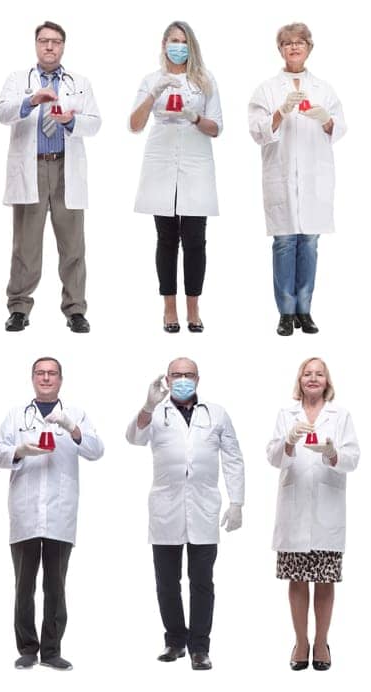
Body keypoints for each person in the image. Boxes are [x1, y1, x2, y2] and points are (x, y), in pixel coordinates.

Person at [126, 357, 243, 670]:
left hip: (205, 507)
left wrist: (237, 502)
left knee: (202, 581)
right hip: (165, 508)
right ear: (166, 378)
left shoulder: (216, 413)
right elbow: (134, 438)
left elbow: (233, 458)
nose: (182, 379)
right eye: (176, 374)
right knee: (167, 581)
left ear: (198, 379)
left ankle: (200, 648)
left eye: (188, 374)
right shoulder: (156, 411)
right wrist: (148, 406)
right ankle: (175, 641)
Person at [0, 357, 103, 670]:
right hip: (25, 512)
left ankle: (51, 651)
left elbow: (95, 450)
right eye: (40, 373)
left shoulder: (76, 413)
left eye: (52, 373)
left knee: (56, 585)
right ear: (32, 378)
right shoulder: (15, 415)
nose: (46, 378)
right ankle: (27, 648)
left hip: (60, 512)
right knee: (23, 585)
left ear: (61, 379)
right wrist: (19, 451)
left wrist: (71, 427)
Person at [0, 22, 100, 334]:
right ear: (36, 45)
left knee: (73, 246)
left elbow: (94, 123)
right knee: (25, 246)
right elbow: (0, 112)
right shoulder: (18, 80)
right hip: (32, 169)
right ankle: (18, 307)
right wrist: (30, 102)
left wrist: (71, 121)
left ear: (63, 46)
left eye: (55, 42)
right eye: (44, 41)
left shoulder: (79, 82)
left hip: (66, 167)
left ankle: (75, 309)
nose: (49, 47)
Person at [248, 23, 344, 336]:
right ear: (280, 50)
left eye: (299, 43)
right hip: (282, 176)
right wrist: (281, 111)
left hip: (314, 180)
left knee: (310, 245)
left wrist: (324, 119)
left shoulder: (324, 88)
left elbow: (339, 127)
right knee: (285, 244)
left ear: (309, 48)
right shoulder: (267, 88)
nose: (293, 48)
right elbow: (257, 131)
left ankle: (305, 310)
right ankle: (286, 313)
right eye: (287, 43)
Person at [264, 357, 359, 671]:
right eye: (308, 373)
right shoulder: (285, 414)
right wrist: (288, 443)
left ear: (327, 381)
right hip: (294, 511)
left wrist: (333, 454)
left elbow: (353, 458)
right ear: (300, 380)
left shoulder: (340, 415)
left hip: (327, 512)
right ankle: (300, 642)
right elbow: (274, 457)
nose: (313, 378)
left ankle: (321, 643)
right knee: (297, 579)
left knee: (325, 580)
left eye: (319, 373)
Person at [130, 21, 223, 333]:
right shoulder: (150, 79)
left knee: (195, 240)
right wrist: (153, 94)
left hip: (196, 161)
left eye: (183, 41)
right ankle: (169, 309)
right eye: (173, 40)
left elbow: (217, 127)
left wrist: (193, 116)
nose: (178, 46)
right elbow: (134, 124)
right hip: (161, 161)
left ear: (191, 45)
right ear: (163, 44)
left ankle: (193, 308)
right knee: (166, 238)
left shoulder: (205, 80)